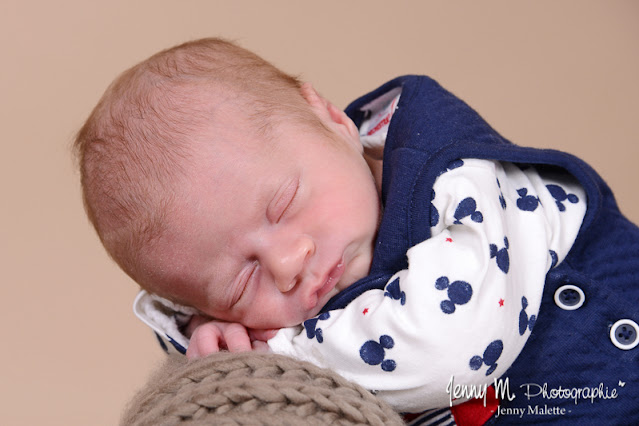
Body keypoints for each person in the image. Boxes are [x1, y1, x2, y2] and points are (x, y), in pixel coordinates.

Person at [75, 38, 639, 423]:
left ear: (330, 118)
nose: (288, 263)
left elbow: (447, 350)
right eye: (242, 284)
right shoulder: (290, 309)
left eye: (283, 204)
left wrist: (282, 353)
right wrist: (213, 339)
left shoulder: (460, 177)